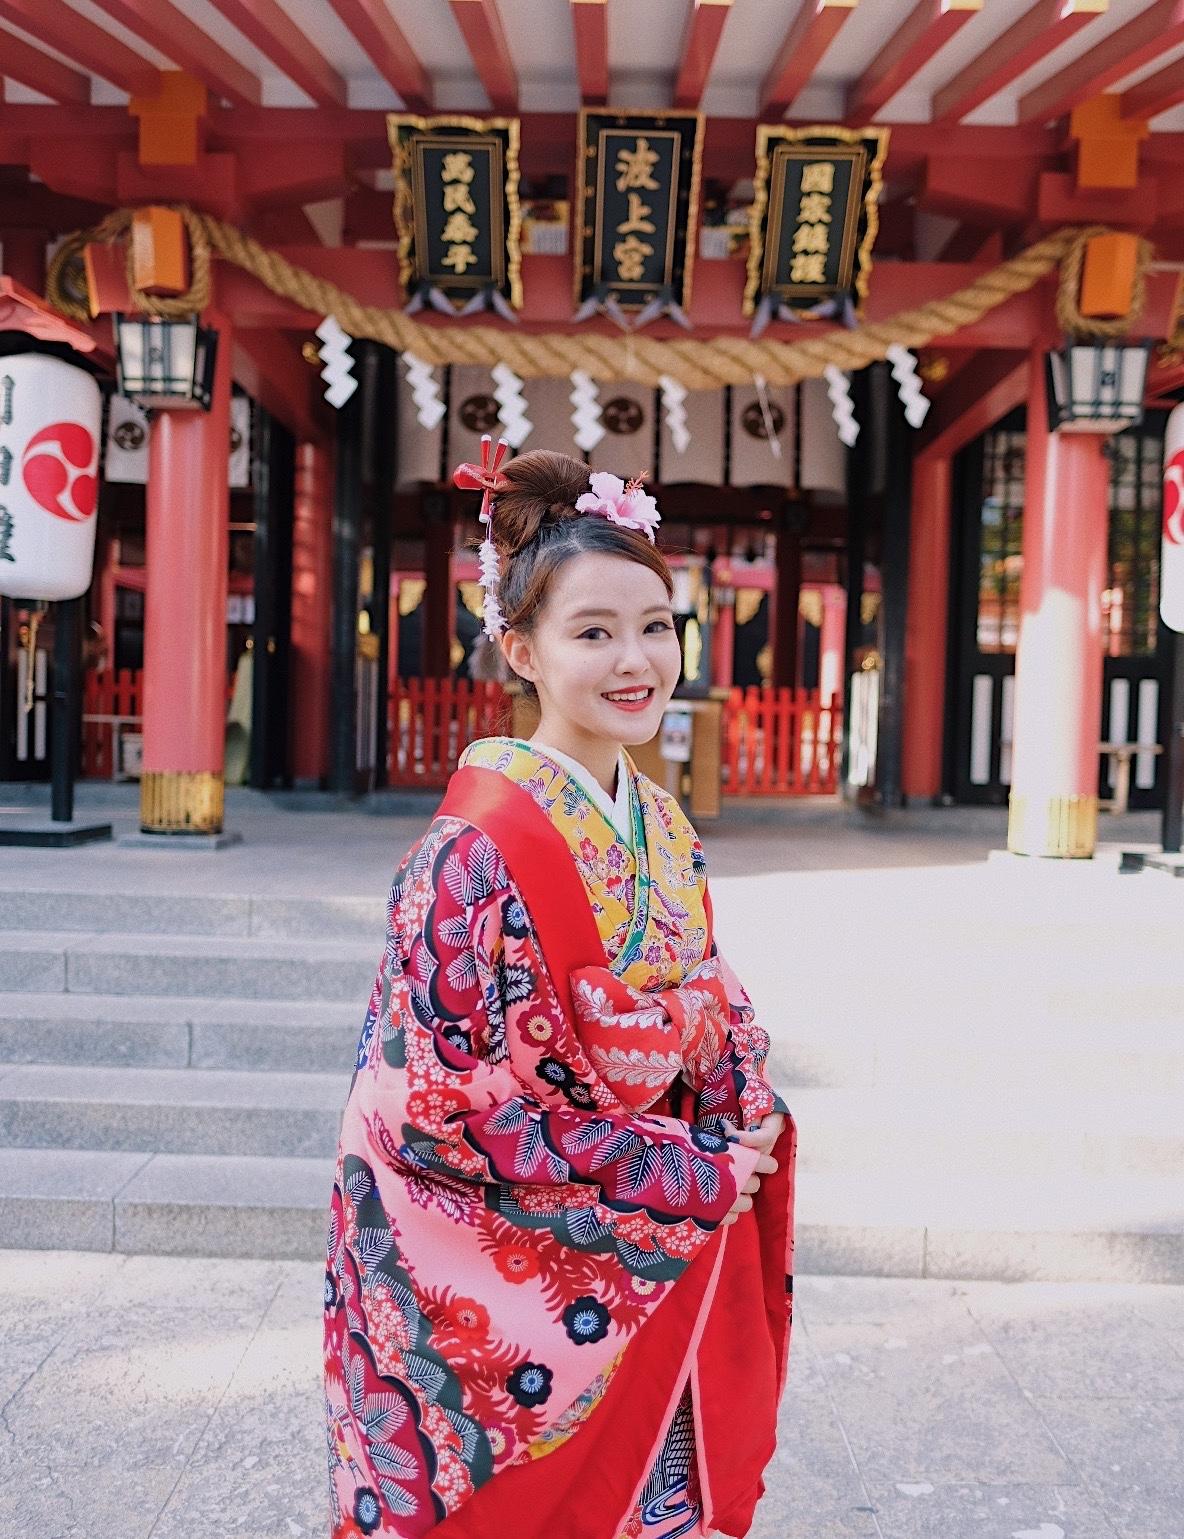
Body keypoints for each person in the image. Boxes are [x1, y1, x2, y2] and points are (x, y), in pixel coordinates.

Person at [324, 444, 797, 1539]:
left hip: (664, 1241)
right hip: (550, 1261)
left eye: (656, 625)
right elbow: (430, 1106)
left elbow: (712, 997)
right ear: (520, 649)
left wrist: (741, 1110)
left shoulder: (661, 824)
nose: (636, 660)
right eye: (593, 633)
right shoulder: (468, 853)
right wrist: (678, 1169)